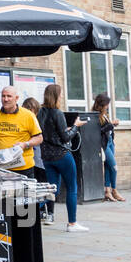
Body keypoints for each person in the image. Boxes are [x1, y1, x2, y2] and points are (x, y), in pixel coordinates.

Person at [39, 84, 89, 232]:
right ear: (56, 95)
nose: (61, 96)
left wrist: (64, 130)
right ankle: (72, 224)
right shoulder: (57, 113)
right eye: (60, 94)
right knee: (72, 188)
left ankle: (35, 211)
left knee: (51, 189)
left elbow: (48, 133)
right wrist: (76, 126)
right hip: (62, 156)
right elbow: (66, 137)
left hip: (47, 157)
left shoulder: (40, 113)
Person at [0, 86, 42, 178]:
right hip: (2, 167)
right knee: (2, 193)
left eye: (9, 96)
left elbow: (39, 138)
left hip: (24, 168)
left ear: (16, 98)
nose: (5, 99)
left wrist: (25, 144)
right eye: (3, 96)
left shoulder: (28, 115)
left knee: (23, 193)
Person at [22, 96, 54, 224]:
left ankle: (49, 212)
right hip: (31, 161)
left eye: (32, 111)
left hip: (40, 161)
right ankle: (41, 212)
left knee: (46, 187)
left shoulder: (37, 122)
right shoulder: (27, 121)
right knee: (36, 188)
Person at [94, 93, 124, 202]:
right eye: (106, 104)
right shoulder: (96, 115)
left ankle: (108, 192)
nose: (108, 106)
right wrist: (111, 124)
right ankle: (114, 190)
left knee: (107, 167)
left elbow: (107, 129)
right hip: (104, 144)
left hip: (110, 142)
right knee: (114, 167)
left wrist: (112, 125)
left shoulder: (104, 114)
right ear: (102, 104)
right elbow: (99, 131)